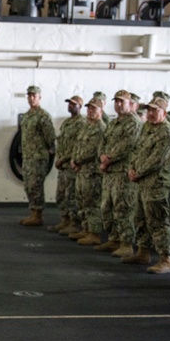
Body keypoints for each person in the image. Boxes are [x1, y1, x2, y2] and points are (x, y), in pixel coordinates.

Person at [128, 96, 170, 273]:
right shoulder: (146, 128)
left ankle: (166, 259)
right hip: (142, 182)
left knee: (158, 221)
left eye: (154, 110)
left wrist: (138, 171)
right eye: (149, 110)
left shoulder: (168, 132)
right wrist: (131, 168)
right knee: (140, 218)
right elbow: (136, 150)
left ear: (164, 112)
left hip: (157, 184)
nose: (150, 113)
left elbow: (156, 160)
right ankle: (143, 252)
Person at [92, 90, 142, 252]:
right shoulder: (113, 123)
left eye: (122, 101)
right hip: (109, 172)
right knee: (107, 206)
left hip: (122, 172)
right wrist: (102, 156)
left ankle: (126, 243)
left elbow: (127, 146)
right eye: (117, 101)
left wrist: (108, 159)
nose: (119, 104)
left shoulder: (134, 122)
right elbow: (103, 141)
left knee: (123, 207)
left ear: (130, 103)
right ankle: (113, 238)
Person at [69, 97, 108, 243]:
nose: (90, 111)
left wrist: (78, 160)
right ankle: (85, 229)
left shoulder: (100, 128)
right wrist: (73, 159)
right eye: (89, 108)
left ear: (101, 110)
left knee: (92, 203)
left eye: (94, 108)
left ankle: (94, 233)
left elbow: (93, 150)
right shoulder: (87, 126)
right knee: (82, 201)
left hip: (92, 172)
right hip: (82, 170)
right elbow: (78, 145)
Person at [19, 85, 56, 226]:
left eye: (34, 95)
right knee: (28, 185)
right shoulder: (27, 115)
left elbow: (50, 137)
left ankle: (38, 214)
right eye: (29, 95)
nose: (31, 98)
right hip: (28, 156)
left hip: (38, 157)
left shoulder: (43, 116)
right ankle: (33, 211)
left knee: (36, 185)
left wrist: (43, 150)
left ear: (39, 97)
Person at [50, 95, 85, 232]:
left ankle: (74, 223)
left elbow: (78, 146)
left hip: (70, 164)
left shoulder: (81, 123)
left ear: (80, 106)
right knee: (61, 195)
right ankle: (65, 220)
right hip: (63, 166)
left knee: (71, 196)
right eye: (69, 103)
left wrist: (64, 159)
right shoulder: (67, 123)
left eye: (73, 104)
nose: (70, 106)